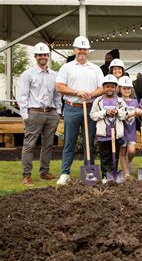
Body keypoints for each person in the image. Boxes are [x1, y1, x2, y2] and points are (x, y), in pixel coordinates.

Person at [56, 36, 104, 186]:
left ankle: (88, 174)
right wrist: (77, 92)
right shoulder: (67, 67)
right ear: (74, 50)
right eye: (79, 48)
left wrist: (90, 94)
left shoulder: (95, 69)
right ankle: (65, 173)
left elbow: (102, 88)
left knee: (88, 143)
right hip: (72, 107)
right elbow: (59, 87)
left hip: (89, 108)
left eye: (84, 49)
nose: (82, 51)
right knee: (69, 142)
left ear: (88, 50)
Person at [18, 42, 62, 186]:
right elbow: (22, 96)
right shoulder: (28, 74)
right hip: (34, 112)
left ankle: (44, 172)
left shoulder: (54, 75)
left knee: (48, 144)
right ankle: (27, 175)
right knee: (29, 144)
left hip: (51, 113)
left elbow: (57, 95)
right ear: (35, 56)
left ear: (48, 56)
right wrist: (25, 115)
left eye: (45, 55)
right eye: (40, 55)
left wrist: (58, 112)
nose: (43, 57)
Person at [90, 75, 127, 183]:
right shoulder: (98, 101)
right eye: (107, 86)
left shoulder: (120, 101)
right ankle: (106, 176)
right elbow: (93, 115)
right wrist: (105, 112)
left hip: (116, 135)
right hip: (103, 135)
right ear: (103, 87)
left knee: (114, 155)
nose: (110, 89)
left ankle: (114, 174)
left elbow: (125, 115)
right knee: (105, 156)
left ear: (116, 88)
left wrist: (117, 112)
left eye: (112, 87)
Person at [118, 76, 142, 179]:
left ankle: (129, 161)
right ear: (120, 89)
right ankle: (126, 173)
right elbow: (120, 115)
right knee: (123, 151)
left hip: (131, 130)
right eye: (124, 88)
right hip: (122, 131)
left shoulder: (134, 101)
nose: (127, 90)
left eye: (128, 88)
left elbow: (138, 115)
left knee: (132, 151)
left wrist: (140, 114)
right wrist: (132, 113)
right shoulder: (118, 101)